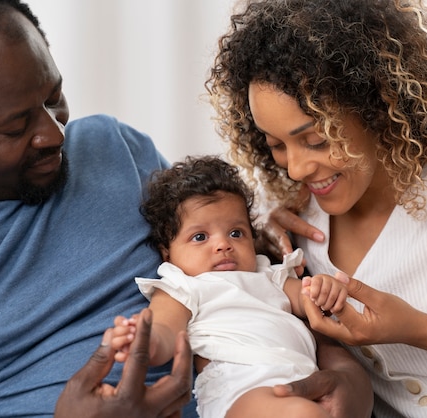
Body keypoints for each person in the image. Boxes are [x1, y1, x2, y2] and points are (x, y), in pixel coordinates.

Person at [0, 0, 372, 416]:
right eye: (16, 126)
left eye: (53, 98)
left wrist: (345, 372)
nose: (54, 135)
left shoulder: (114, 146)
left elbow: (235, 269)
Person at [206, 0, 427, 416]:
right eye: (276, 145)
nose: (297, 167)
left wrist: (417, 329)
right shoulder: (296, 223)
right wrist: (258, 238)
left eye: (317, 140)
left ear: (378, 106)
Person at [110, 156, 349, 417]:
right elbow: (166, 328)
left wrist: (324, 290)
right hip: (241, 385)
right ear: (167, 253)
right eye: (200, 237)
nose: (223, 245)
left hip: (300, 380)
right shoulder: (184, 285)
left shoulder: (267, 273)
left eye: (236, 233)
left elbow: (310, 300)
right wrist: (145, 342)